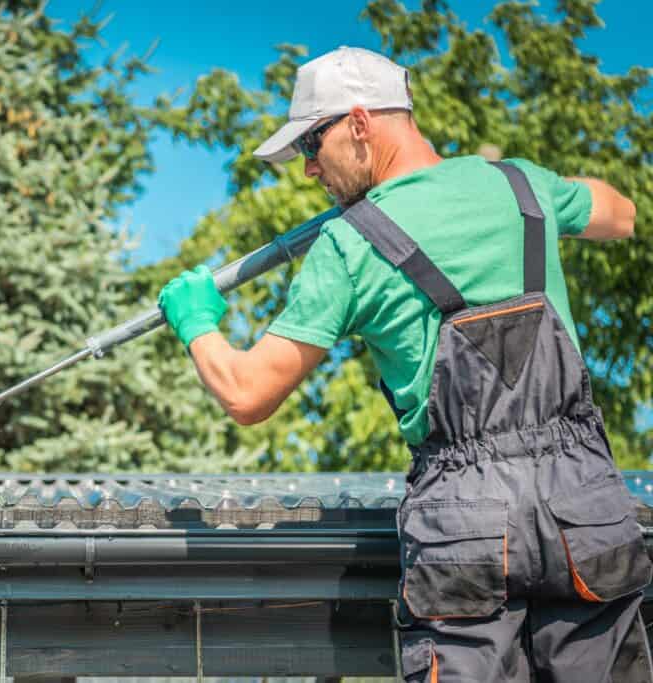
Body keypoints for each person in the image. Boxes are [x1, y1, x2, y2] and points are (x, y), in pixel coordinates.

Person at [157, 46, 650, 682]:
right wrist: (528, 190)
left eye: (312, 143)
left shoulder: (348, 244)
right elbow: (622, 214)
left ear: (360, 124)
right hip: (583, 503)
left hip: (466, 525)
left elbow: (248, 394)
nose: (308, 170)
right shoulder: (524, 187)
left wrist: (196, 321)